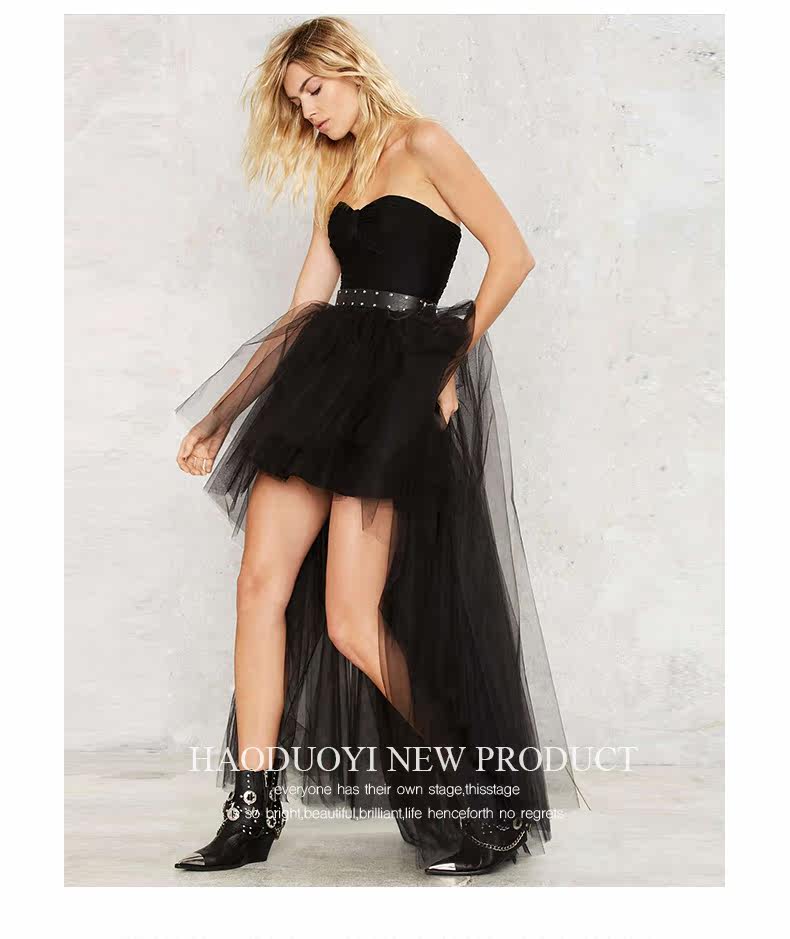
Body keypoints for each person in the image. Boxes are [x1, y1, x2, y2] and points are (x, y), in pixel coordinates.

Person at [173, 15, 579, 877]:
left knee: (352, 621)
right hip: (320, 384)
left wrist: (447, 359)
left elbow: (512, 256)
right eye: (296, 101)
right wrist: (222, 414)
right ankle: (251, 811)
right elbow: (303, 312)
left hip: (392, 392)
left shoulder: (425, 143)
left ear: (350, 69)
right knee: (258, 586)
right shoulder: (338, 173)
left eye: (314, 90)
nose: (309, 112)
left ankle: (484, 793)